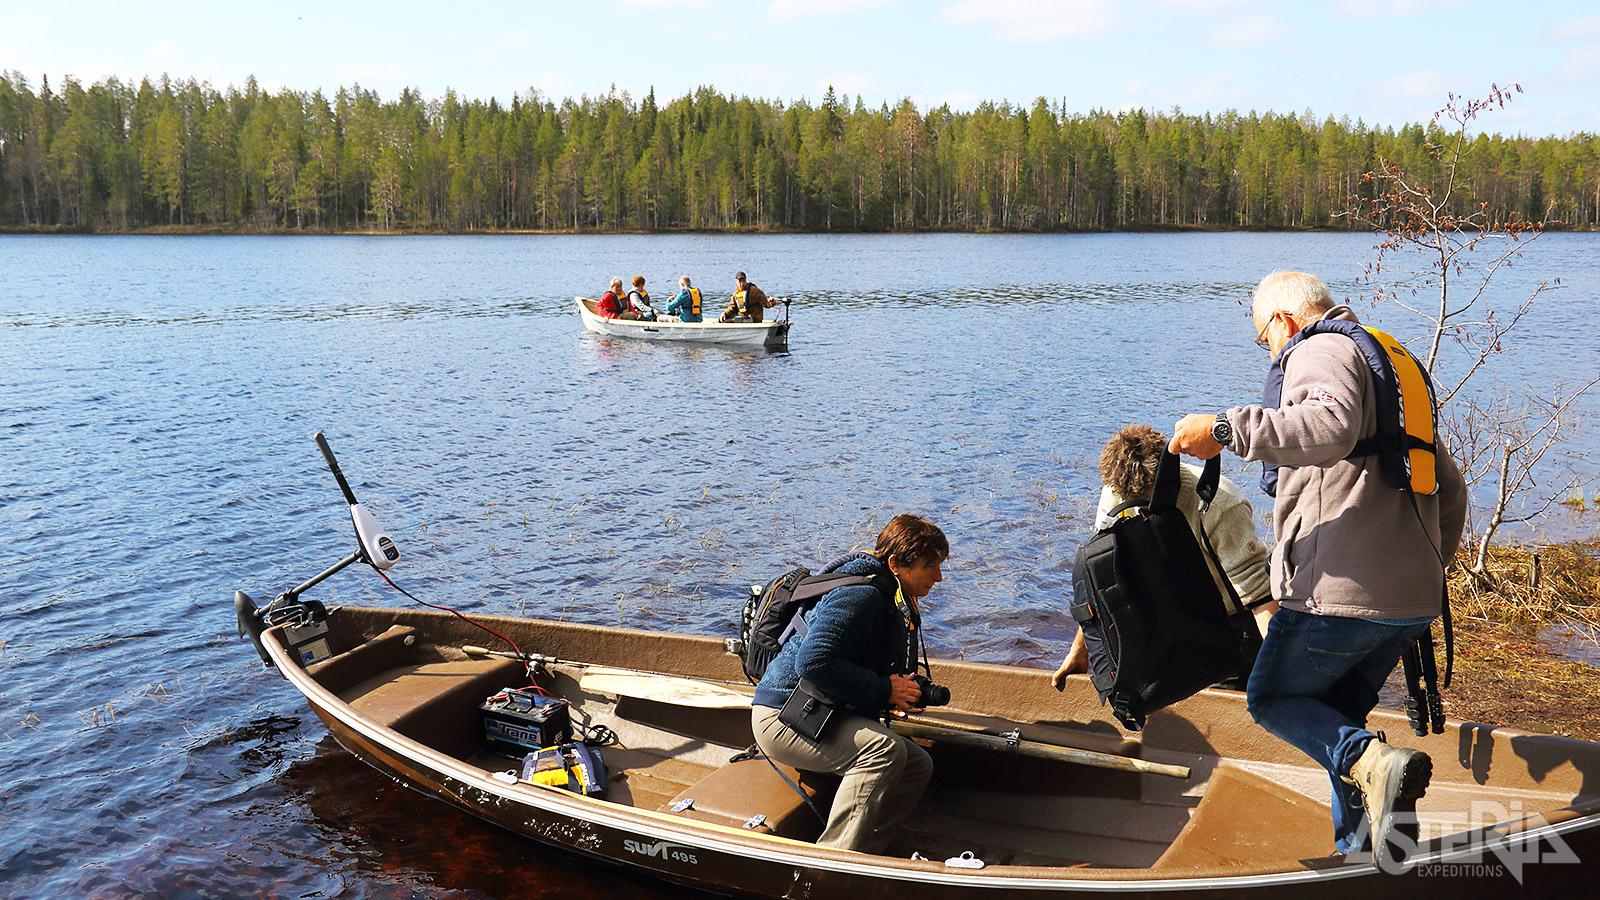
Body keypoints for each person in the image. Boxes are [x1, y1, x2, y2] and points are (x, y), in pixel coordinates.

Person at [1168, 270, 1467, 867]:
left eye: (1263, 339)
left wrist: (1227, 429)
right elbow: (1450, 484)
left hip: (1338, 594)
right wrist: (1427, 568)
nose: (1270, 351)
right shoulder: (1387, 359)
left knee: (1273, 697)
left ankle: (1376, 766)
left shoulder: (1321, 347)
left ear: (1283, 320)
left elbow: (1327, 425)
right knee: (1340, 721)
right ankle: (1372, 856)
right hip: (1407, 599)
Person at [751, 514, 947, 854]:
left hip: (821, 712)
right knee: (884, 750)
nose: (939, 576)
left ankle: (867, 852)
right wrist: (884, 690)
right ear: (896, 564)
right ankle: (834, 861)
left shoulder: (889, 594)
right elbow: (812, 662)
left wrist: (890, 694)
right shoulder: (862, 596)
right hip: (783, 716)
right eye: (930, 565)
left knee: (918, 764)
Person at [1052, 424, 1276, 686]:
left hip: (1229, 621)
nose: (1139, 508)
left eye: (1147, 499)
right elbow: (1103, 583)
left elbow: (1261, 598)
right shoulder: (1117, 492)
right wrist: (1079, 652)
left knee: (1230, 694)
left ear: (1169, 477)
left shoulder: (1221, 506)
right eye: (1129, 498)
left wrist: (1281, 666)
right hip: (1169, 611)